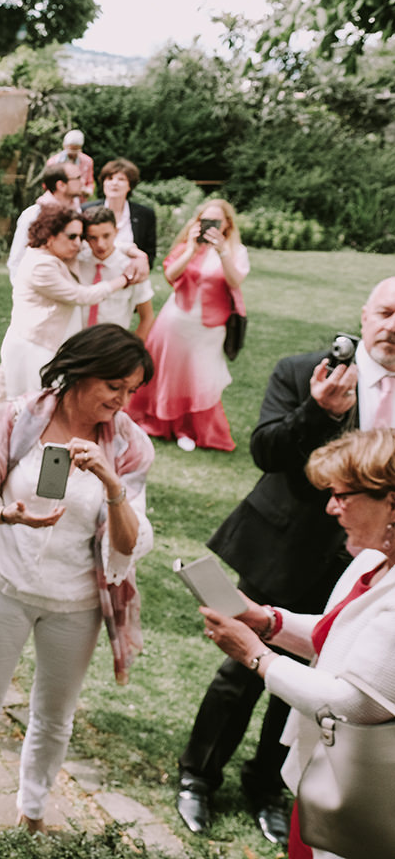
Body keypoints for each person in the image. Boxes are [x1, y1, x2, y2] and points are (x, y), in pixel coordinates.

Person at [174, 276, 395, 844]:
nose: (394, 328)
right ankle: (197, 776)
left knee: (321, 673)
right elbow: (266, 450)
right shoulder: (304, 371)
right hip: (293, 544)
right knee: (236, 675)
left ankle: (270, 786)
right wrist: (318, 413)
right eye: (387, 313)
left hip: (371, 561)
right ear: (364, 316)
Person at [0, 324, 155, 857]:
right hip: (4, 584)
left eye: (131, 390)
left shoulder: (128, 444)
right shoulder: (17, 418)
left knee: (55, 715)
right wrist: (8, 514)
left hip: (76, 603)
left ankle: (33, 812)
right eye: (114, 386)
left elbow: (129, 548)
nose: (122, 401)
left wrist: (112, 486)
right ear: (81, 373)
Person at [201, 429, 395, 859]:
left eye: (342, 496)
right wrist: (268, 620)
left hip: (368, 795)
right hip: (323, 775)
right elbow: (339, 637)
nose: (331, 507)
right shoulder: (370, 558)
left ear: (391, 502)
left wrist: (256, 656)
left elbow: (356, 702)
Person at [127, 199, 249, 452]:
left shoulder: (237, 251)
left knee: (201, 376)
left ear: (227, 224)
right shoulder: (187, 246)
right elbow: (171, 276)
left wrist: (223, 251)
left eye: (217, 220)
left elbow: (235, 280)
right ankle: (161, 424)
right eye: (205, 220)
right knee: (170, 373)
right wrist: (192, 250)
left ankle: (191, 429)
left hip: (210, 325)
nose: (211, 226)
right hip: (177, 320)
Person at [0, 203, 135, 407]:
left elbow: (107, 245)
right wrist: (124, 279)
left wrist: (135, 253)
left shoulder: (57, 254)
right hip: (33, 346)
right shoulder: (41, 265)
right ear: (50, 235)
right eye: (72, 237)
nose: (78, 243)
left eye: (81, 237)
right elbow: (82, 296)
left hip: (48, 344)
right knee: (28, 407)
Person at [78, 205, 155, 341]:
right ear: (85, 238)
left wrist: (131, 350)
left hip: (113, 343)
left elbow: (147, 317)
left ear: (116, 231)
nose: (101, 244)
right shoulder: (77, 263)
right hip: (77, 342)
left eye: (106, 236)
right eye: (93, 238)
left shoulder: (132, 267)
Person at [8, 161, 84, 272]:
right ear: (61, 185)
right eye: (78, 178)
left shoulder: (77, 211)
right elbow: (17, 258)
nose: (82, 182)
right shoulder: (34, 214)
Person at [84, 158, 157, 268]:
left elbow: (149, 253)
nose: (114, 183)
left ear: (130, 185)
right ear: (103, 183)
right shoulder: (86, 210)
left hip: (130, 274)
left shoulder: (145, 214)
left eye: (121, 179)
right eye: (110, 178)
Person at [47, 128, 94, 197]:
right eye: (71, 148)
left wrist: (88, 191)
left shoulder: (87, 161)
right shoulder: (53, 162)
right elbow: (47, 185)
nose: (73, 153)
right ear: (64, 146)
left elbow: (90, 182)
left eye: (76, 149)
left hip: (80, 200)